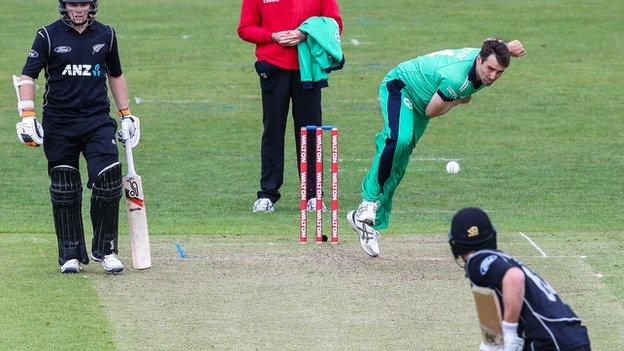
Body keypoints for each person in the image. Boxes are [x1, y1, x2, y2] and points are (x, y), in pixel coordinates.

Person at [347, 38, 525, 257]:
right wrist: (460, 99)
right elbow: (434, 111)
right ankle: (368, 203)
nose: (492, 76)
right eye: (489, 69)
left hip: (421, 104)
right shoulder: (456, 79)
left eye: (499, 73)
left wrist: (507, 47)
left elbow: (489, 42)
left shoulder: (487, 58)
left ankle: (368, 222)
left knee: (400, 160)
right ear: (478, 59)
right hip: (400, 87)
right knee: (397, 140)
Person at [14, 0, 140, 274]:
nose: (78, 10)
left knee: (108, 182)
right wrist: (27, 115)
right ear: (64, 6)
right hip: (59, 123)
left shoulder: (106, 34)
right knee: (64, 187)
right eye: (73, 4)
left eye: (83, 4)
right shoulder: (47, 35)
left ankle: (105, 250)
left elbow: (115, 74)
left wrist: (126, 114)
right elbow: (27, 76)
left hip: (96, 121)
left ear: (92, 6)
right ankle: (70, 254)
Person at [237, 0, 343, 213]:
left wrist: (305, 34)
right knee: (273, 131)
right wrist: (272, 36)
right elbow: (245, 28)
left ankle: (313, 195)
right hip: (272, 67)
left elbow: (335, 23)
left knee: (310, 133)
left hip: (308, 69)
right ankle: (267, 194)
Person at [448, 207, 591, 351]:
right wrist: (491, 344)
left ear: (456, 244)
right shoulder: (496, 260)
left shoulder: (477, 261)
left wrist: (509, 332)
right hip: (568, 336)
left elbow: (514, 277)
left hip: (551, 341)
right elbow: (489, 307)